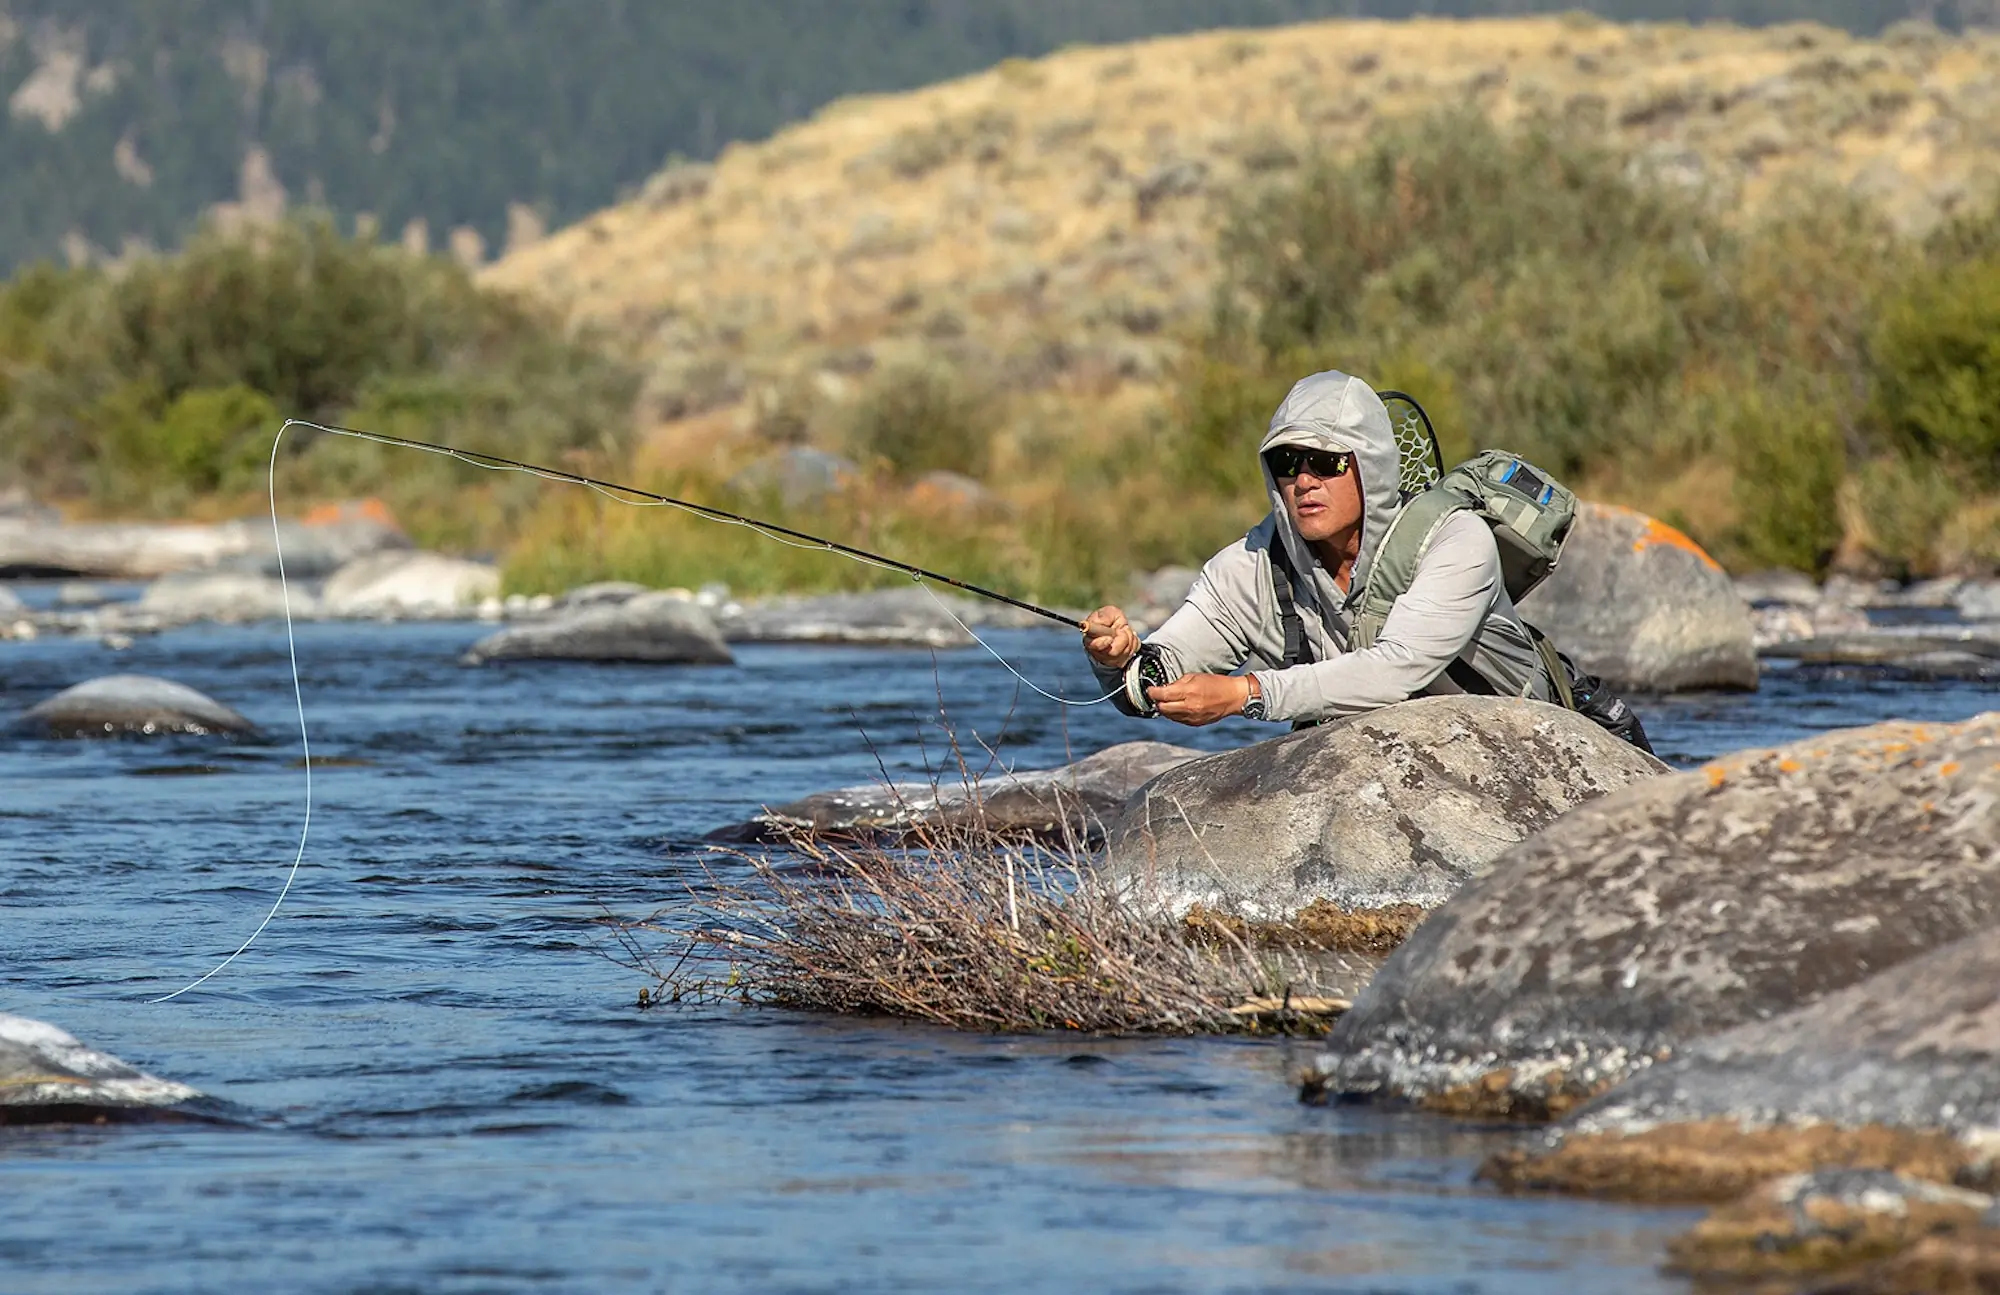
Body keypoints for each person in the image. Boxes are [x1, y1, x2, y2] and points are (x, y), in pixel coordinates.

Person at [1083, 369, 1586, 730]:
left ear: (1370, 466)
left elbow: (1396, 669)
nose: (1303, 481)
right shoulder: (1253, 565)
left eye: (1326, 463)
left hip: (1536, 753)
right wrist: (1122, 661)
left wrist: (1246, 695)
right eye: (1286, 461)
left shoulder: (1455, 540)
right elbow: (1159, 673)